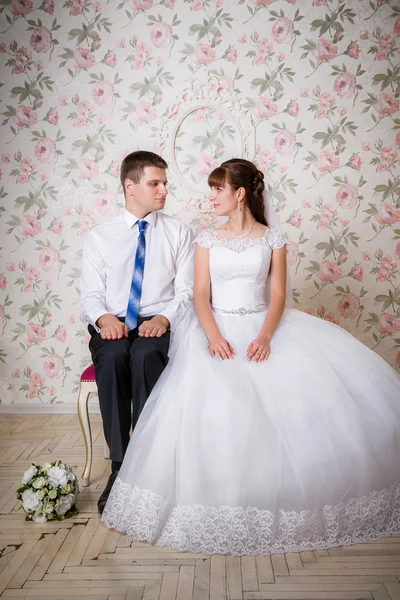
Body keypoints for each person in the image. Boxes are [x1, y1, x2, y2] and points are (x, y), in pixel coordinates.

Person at [101, 158, 400, 555]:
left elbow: (277, 296)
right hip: (214, 330)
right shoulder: (205, 239)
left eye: (217, 189)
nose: (210, 197)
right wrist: (212, 336)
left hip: (262, 326)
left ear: (240, 193)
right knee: (215, 403)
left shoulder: (272, 239)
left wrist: (264, 336)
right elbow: (201, 296)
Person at [80, 151, 194, 514]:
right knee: (112, 358)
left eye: (165, 183)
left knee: (145, 356)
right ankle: (119, 466)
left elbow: (188, 291)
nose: (163, 190)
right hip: (112, 323)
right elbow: (90, 295)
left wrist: (163, 319)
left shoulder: (178, 232)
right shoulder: (100, 236)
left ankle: (147, 465)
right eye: (155, 183)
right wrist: (103, 319)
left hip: (155, 322)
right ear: (131, 186)